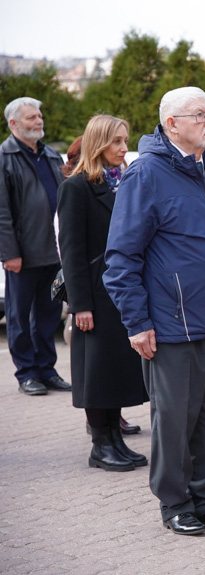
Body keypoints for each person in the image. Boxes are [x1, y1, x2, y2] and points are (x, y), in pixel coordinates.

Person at [104, 87, 205, 535]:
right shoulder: (145, 173)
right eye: (199, 115)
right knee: (174, 421)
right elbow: (121, 258)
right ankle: (175, 504)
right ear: (171, 124)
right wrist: (137, 323)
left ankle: (204, 498)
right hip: (171, 325)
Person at [57, 115, 149, 472]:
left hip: (120, 293)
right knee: (96, 372)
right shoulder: (76, 187)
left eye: (125, 141)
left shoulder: (122, 183)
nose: (125, 149)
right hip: (94, 294)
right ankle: (101, 444)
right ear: (98, 144)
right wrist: (79, 304)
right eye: (117, 142)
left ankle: (115, 439)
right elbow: (72, 251)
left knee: (113, 369)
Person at [0, 97, 70, 396]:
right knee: (18, 317)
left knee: (48, 316)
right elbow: (1, 211)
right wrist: (9, 253)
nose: (38, 121)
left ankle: (47, 370)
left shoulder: (51, 155)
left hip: (53, 253)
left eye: (39, 115)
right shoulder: (5, 158)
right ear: (14, 124)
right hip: (23, 256)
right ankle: (26, 373)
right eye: (31, 118)